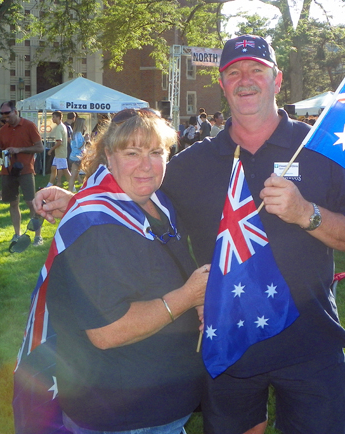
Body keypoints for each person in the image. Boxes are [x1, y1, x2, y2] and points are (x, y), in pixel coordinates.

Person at [34, 34, 345, 434]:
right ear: (222, 84)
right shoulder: (192, 163)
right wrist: (76, 201)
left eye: (257, 70)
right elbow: (135, 194)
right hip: (227, 340)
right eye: (234, 72)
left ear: (277, 79)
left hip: (310, 343)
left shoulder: (319, 148)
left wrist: (306, 213)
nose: (245, 79)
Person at [42, 108, 210, 433]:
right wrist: (187, 296)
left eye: (156, 152)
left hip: (159, 403)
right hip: (122, 415)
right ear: (109, 155)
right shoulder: (95, 228)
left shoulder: (154, 203)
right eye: (132, 153)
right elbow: (108, 331)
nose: (146, 165)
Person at [0, 100, 44, 246]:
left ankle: (38, 236)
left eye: (7, 113)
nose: (5, 116)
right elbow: (3, 150)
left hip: (25, 169)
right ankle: (17, 234)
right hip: (8, 171)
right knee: (13, 203)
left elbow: (40, 148)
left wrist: (20, 149)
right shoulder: (2, 130)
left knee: (31, 202)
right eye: (2, 114)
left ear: (15, 111)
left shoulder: (29, 126)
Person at [47, 111, 71, 188]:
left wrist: (51, 149)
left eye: (53, 117)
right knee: (53, 168)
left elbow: (59, 142)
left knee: (65, 171)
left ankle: (72, 186)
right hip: (58, 154)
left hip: (61, 153)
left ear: (58, 117)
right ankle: (49, 185)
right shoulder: (63, 126)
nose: (52, 119)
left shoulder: (59, 128)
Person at [68, 117, 87, 192]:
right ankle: (70, 191)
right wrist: (85, 140)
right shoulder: (78, 134)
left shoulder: (74, 133)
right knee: (75, 176)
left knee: (75, 175)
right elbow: (80, 146)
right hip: (78, 157)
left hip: (73, 156)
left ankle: (74, 189)